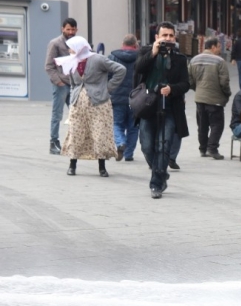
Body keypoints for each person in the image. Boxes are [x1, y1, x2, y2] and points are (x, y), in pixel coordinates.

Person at [134, 21, 190, 199]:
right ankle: (160, 170)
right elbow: (138, 69)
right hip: (148, 105)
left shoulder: (180, 59)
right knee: (147, 145)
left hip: (170, 107)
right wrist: (153, 52)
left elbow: (186, 84)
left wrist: (172, 89)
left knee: (163, 145)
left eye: (171, 36)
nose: (168, 39)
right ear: (156, 37)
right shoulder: (146, 52)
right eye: (164, 35)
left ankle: (156, 183)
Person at [56, 36, 125, 177]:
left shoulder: (98, 59)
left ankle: (102, 167)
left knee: (99, 134)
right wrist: (72, 100)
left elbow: (120, 70)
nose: (69, 50)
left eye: (71, 47)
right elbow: (73, 84)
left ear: (79, 48)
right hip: (78, 106)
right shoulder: (72, 61)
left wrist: (108, 88)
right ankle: (72, 165)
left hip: (99, 104)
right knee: (76, 133)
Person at [189, 36, 232, 159]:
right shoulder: (219, 61)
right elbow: (224, 81)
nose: (219, 49)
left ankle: (203, 149)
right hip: (215, 99)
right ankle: (212, 148)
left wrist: (197, 89)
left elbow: (189, 79)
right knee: (217, 124)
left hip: (199, 98)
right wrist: (226, 93)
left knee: (202, 125)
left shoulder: (194, 60)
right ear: (213, 47)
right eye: (218, 47)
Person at [45, 17, 78, 154]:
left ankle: (74, 141)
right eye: (68, 29)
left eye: (73, 29)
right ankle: (53, 142)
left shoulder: (77, 43)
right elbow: (48, 66)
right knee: (57, 114)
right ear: (62, 29)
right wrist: (58, 81)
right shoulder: (55, 43)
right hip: (61, 84)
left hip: (75, 84)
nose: (70, 32)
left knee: (76, 114)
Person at [108, 34, 139, 162]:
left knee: (117, 123)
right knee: (133, 127)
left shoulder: (113, 57)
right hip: (136, 97)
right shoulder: (141, 57)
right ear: (135, 45)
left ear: (122, 44)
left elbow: (108, 76)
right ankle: (129, 154)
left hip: (117, 97)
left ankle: (120, 143)